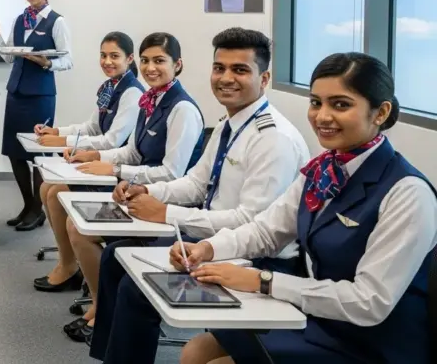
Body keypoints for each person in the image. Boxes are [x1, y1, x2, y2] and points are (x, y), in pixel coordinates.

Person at [178, 52, 436, 364]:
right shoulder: (323, 170)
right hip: (315, 317)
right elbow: (267, 230)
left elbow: (369, 302)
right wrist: (207, 248)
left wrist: (264, 282)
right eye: (316, 102)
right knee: (196, 350)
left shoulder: (407, 192)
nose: (322, 116)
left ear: (380, 112)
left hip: (370, 343)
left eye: (340, 104)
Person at [87, 28, 310, 361]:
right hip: (215, 238)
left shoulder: (272, 138)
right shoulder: (230, 124)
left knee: (137, 285)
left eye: (240, 70)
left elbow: (252, 223)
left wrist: (166, 214)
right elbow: (194, 183)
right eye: (219, 68)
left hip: (257, 257)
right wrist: (146, 190)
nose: (226, 78)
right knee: (118, 257)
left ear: (264, 78)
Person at [61, 32, 204, 340]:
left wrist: (115, 169)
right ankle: (102, 304)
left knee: (83, 231)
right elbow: (134, 151)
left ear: (178, 65)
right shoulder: (150, 100)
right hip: (139, 194)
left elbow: (172, 173)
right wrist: (97, 156)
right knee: (76, 225)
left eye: (159, 61)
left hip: (168, 206)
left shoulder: (183, 110)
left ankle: (103, 311)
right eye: (146, 61)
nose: (151, 67)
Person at [32, 31, 143, 293]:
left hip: (114, 172)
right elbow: (92, 127)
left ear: (129, 59)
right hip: (103, 163)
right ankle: (69, 262)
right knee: (47, 189)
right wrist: (58, 132)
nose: (107, 61)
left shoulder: (132, 93)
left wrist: (67, 144)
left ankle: (70, 267)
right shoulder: (110, 87)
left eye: (114, 56)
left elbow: (112, 140)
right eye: (103, 55)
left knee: (56, 192)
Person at [0, 0, 73, 231]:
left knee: (38, 155)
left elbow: (67, 60)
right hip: (17, 93)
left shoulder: (56, 21)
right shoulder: (21, 20)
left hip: (40, 96)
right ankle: (28, 205)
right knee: (15, 154)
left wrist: (46, 63)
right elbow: (9, 55)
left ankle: (37, 209)